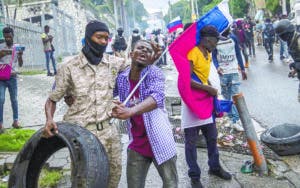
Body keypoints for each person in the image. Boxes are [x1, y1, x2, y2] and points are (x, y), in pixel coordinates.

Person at [43, 20, 126, 188]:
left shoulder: (114, 63)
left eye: (106, 38)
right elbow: (53, 99)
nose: (103, 42)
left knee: (113, 178)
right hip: (82, 135)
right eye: (99, 37)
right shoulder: (68, 67)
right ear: (88, 37)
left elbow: (137, 67)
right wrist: (49, 119)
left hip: (109, 132)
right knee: (85, 181)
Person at [112, 39, 178, 188]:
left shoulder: (154, 73)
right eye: (140, 48)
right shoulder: (122, 78)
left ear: (151, 58)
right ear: (131, 54)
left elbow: (157, 98)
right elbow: (107, 93)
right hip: (136, 144)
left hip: (160, 141)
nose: (144, 51)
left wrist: (130, 111)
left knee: (171, 184)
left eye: (148, 51)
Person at [183, 25, 232, 188]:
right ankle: (194, 176)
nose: (216, 45)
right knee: (191, 141)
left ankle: (214, 167)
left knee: (212, 136)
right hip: (192, 103)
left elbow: (202, 76)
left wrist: (211, 87)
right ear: (208, 40)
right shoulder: (192, 53)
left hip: (205, 100)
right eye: (216, 41)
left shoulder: (208, 54)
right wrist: (208, 89)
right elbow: (187, 81)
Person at [212, 27, 247, 132]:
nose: (228, 29)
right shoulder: (216, 41)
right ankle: (233, 119)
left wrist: (243, 69)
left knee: (235, 97)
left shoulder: (233, 38)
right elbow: (214, 56)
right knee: (227, 98)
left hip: (234, 72)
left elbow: (238, 54)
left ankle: (235, 120)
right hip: (223, 73)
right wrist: (217, 66)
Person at [0, 27, 23, 131]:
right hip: (1, 77)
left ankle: (16, 120)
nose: (7, 39)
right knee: (1, 99)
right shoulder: (0, 47)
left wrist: (20, 56)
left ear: (13, 35)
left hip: (13, 77)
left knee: (14, 99)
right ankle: (0, 123)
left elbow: (21, 64)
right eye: (5, 37)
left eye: (9, 36)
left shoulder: (17, 47)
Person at [274, 19, 300, 102]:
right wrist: (295, 69)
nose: (282, 38)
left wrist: (297, 65)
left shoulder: (298, 40)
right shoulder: (291, 41)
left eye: (283, 35)